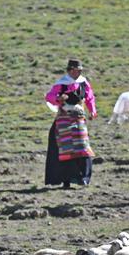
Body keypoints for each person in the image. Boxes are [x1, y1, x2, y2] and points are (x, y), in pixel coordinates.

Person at [44, 59, 97, 189]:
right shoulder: (61, 84)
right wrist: (58, 99)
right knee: (65, 148)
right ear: (71, 70)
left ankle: (84, 177)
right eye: (77, 70)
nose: (79, 72)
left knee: (82, 147)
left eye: (80, 70)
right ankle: (65, 180)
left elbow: (90, 97)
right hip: (64, 119)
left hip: (78, 118)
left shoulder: (83, 83)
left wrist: (92, 111)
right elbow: (49, 97)